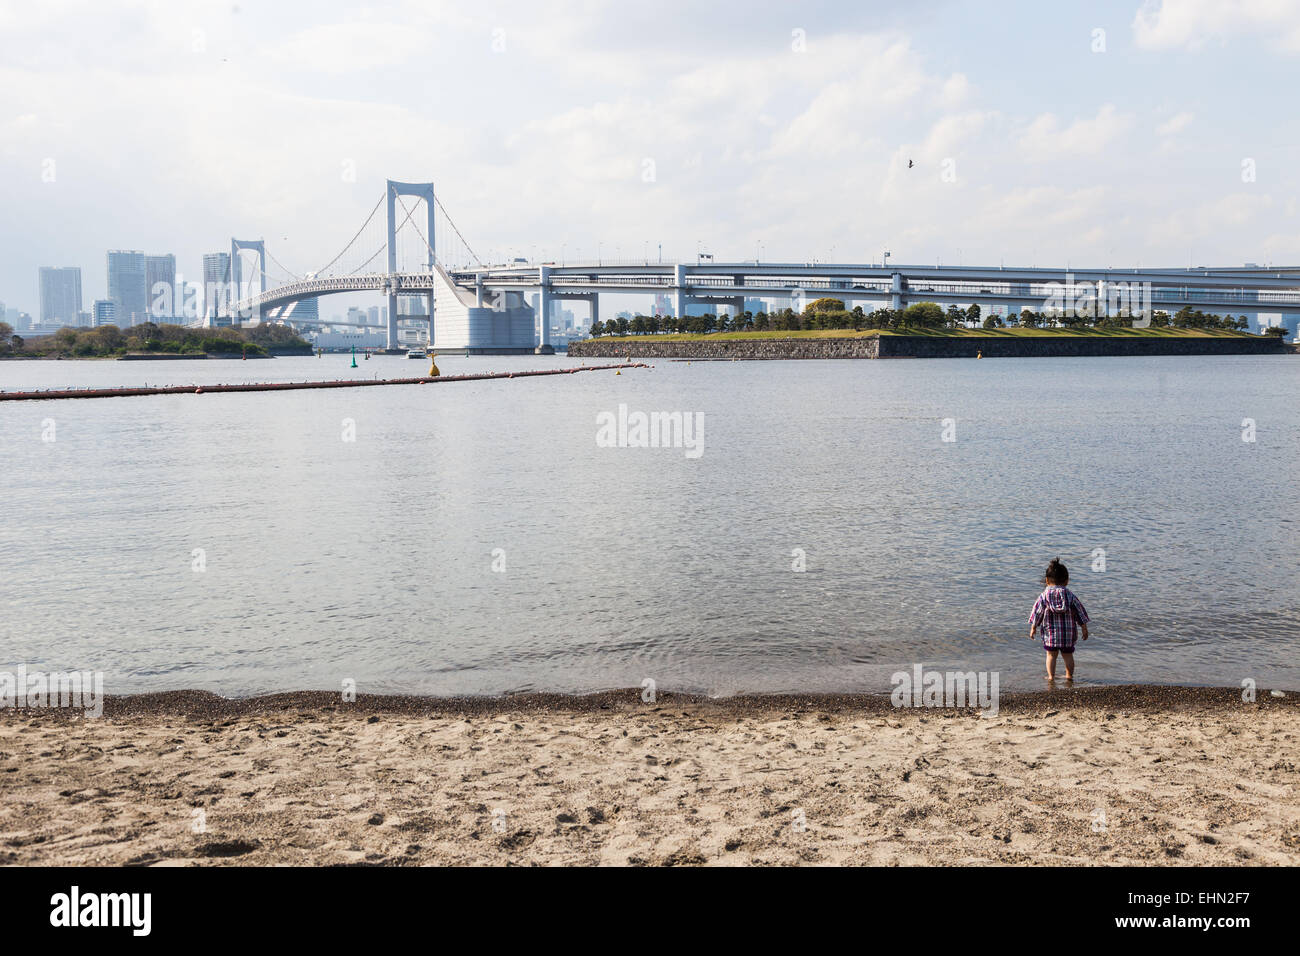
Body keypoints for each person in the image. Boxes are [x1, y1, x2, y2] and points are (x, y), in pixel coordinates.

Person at [1028, 557, 1090, 680]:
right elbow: (1079, 610)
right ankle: (1069, 676)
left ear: (1046, 580)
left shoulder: (1044, 596)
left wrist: (1033, 627)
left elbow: (1038, 612)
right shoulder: (1070, 595)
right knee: (1068, 655)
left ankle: (1051, 676)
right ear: (1066, 581)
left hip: (1051, 633)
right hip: (1067, 634)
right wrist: (1084, 627)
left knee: (1051, 655)